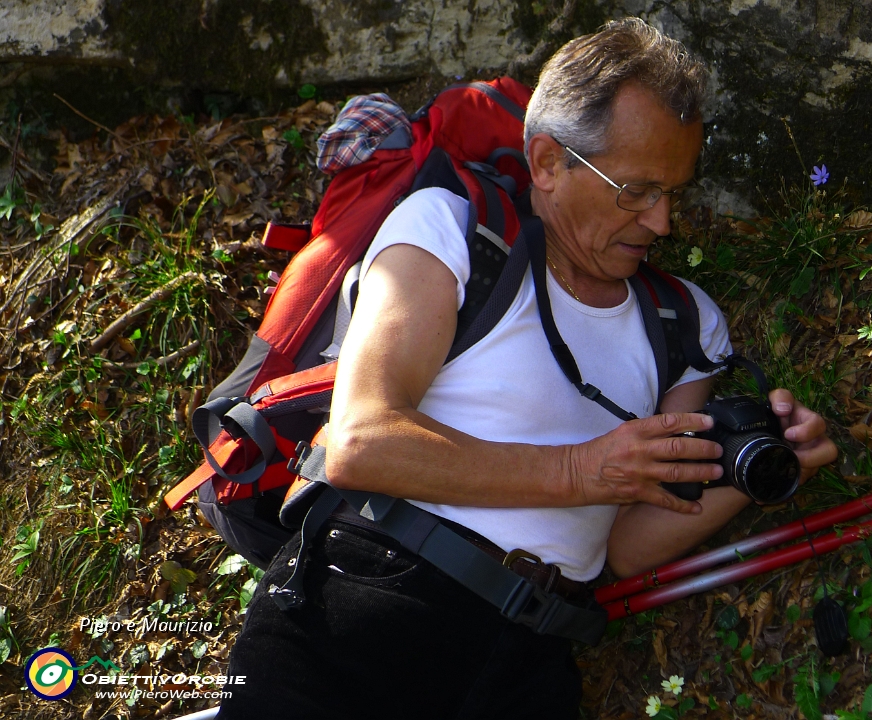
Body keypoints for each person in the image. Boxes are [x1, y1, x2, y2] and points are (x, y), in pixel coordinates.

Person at [217, 17, 837, 720]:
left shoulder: (686, 324)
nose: (662, 222)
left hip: (533, 650)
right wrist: (580, 471)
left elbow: (626, 546)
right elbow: (362, 442)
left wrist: (763, 473)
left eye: (675, 192)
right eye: (635, 190)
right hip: (363, 605)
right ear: (547, 162)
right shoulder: (451, 231)